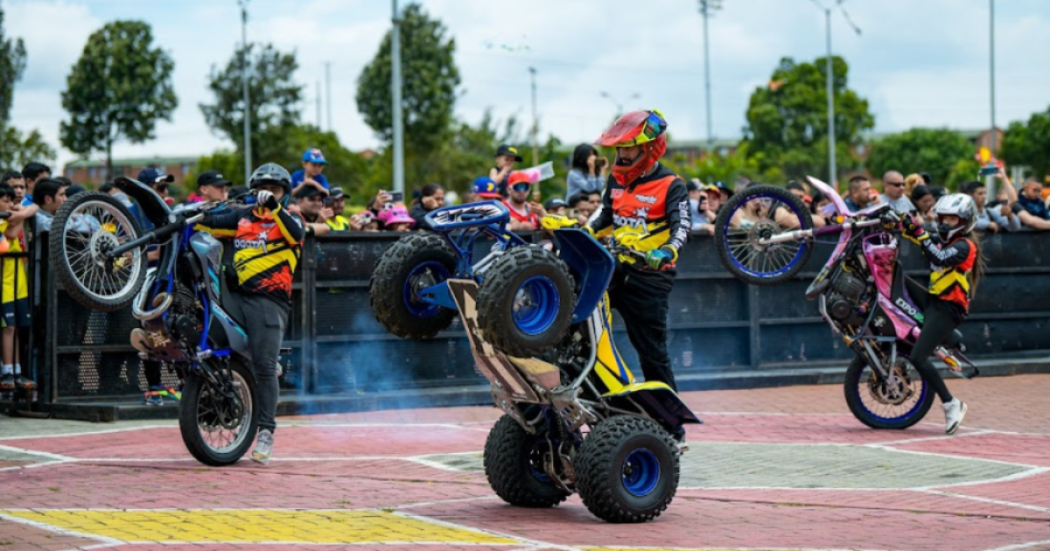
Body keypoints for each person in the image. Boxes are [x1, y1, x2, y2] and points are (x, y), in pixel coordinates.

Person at [583, 109, 689, 442]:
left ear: (650, 147)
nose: (623, 154)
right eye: (619, 148)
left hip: (650, 276)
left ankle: (672, 427)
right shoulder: (614, 180)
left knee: (651, 351)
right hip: (612, 269)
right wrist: (582, 231)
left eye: (629, 148)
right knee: (584, 335)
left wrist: (668, 251)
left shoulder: (672, 184)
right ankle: (599, 412)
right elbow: (603, 217)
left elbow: (682, 225)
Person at [195, 163, 305, 465]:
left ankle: (266, 431)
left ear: (284, 194)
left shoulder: (290, 218)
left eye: (276, 189)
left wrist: (273, 206)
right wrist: (187, 213)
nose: (267, 193)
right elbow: (208, 223)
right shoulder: (242, 217)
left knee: (264, 368)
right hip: (235, 296)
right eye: (261, 188)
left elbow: (296, 235)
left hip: (269, 302)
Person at [900, 193, 980, 434]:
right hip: (934, 301)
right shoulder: (942, 240)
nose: (945, 223)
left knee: (918, 357)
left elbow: (938, 256)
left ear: (965, 221)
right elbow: (915, 237)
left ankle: (951, 403)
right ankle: (945, 338)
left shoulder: (965, 246)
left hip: (949, 309)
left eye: (952, 220)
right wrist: (900, 223)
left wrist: (919, 232)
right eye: (943, 218)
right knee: (895, 279)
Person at [0, 184, 38, 391]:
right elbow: (10, 237)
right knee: (8, 328)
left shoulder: (11, 215)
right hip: (4, 285)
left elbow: (35, 208)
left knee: (17, 330)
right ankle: (6, 371)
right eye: (5, 200)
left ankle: (16, 371)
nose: (9, 204)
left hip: (19, 285)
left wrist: (21, 212)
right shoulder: (2, 220)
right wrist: (22, 214)